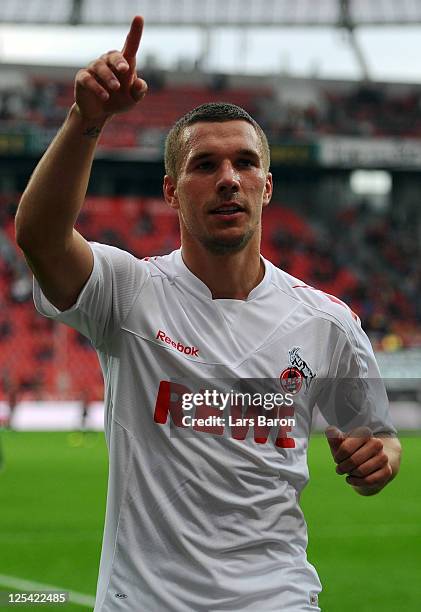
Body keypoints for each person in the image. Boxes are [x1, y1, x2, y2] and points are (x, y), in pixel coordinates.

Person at [15, 16, 401, 612]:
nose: (228, 180)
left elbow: (375, 436)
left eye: (245, 164)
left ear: (267, 186)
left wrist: (380, 455)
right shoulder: (128, 291)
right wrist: (85, 121)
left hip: (280, 599)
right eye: (204, 166)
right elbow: (40, 236)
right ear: (170, 191)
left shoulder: (327, 321)